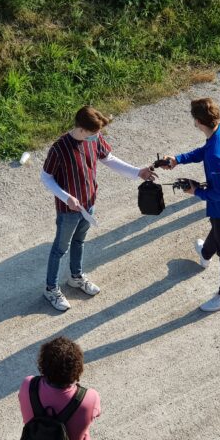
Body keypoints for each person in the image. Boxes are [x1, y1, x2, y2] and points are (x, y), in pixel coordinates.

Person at [40, 105, 156, 312]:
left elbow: (109, 159)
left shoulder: (94, 138)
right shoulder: (59, 148)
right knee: (60, 248)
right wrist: (66, 198)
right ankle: (51, 289)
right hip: (68, 210)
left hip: (89, 203)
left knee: (79, 241)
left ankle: (75, 278)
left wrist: (138, 172)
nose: (97, 137)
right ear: (82, 129)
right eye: (94, 133)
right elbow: (45, 177)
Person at [161, 98, 220, 312]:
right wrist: (178, 159)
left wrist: (197, 192)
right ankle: (205, 253)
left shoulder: (215, 155)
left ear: (198, 121)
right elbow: (205, 150)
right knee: (218, 228)